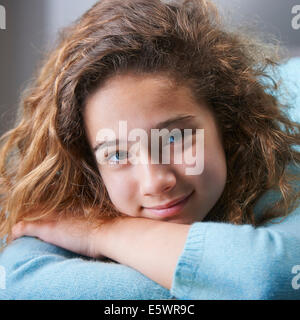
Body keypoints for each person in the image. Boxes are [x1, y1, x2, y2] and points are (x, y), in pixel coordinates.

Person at [0, 0, 300, 300]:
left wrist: (101, 232)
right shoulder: (73, 198)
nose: (155, 181)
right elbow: (16, 282)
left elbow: (272, 276)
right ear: (89, 164)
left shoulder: (284, 163)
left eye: (174, 139)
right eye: (117, 155)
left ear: (227, 121)